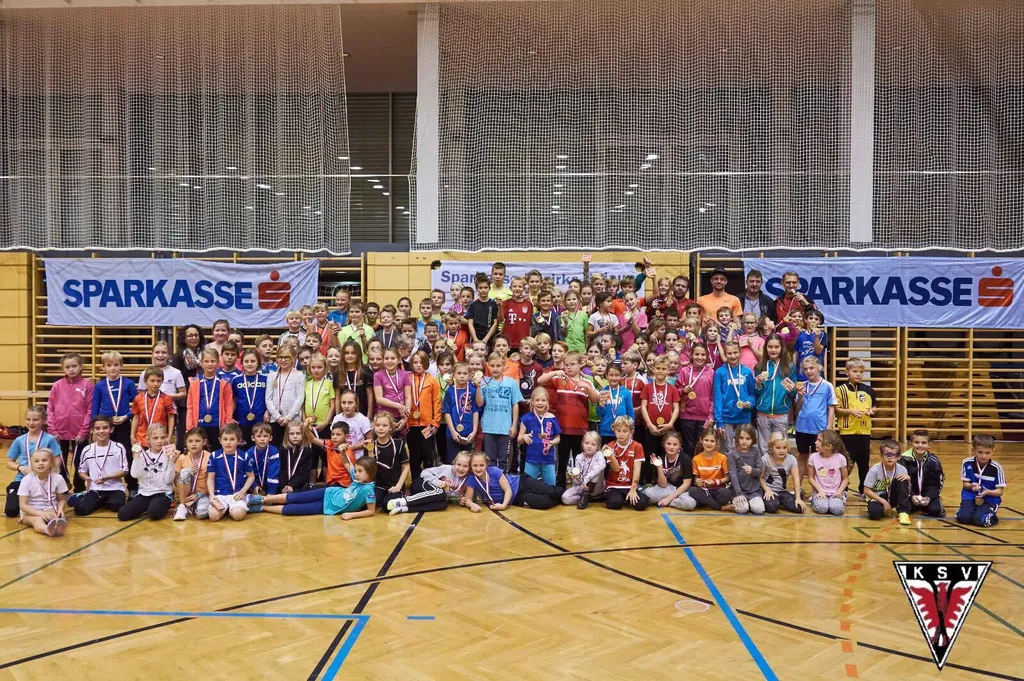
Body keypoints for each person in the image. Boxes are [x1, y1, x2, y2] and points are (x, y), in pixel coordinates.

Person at [537, 350, 602, 486]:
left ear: (580, 365)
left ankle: (580, 488)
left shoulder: (586, 382)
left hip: (580, 430)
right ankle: (560, 488)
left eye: (572, 364)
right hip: (562, 430)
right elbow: (540, 380)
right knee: (562, 461)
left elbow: (596, 399)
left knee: (582, 461)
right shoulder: (560, 379)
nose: (569, 367)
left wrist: (588, 389)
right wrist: (554, 372)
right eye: (566, 365)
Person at [255, 456, 377, 519]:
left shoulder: (368, 490)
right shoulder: (356, 478)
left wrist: (351, 515)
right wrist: (343, 452)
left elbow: (371, 511)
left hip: (327, 507)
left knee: (291, 510)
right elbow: (345, 462)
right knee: (294, 498)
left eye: (360, 471)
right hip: (329, 492)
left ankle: (261, 507)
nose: (356, 473)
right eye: (356, 470)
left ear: (370, 472)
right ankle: (259, 499)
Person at [5, 406, 62, 518]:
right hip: (22, 479)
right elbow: (9, 462)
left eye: (35, 420)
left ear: (44, 420)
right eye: (28, 419)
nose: (31, 423)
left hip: (43, 480)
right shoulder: (19, 440)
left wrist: (49, 473)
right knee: (11, 511)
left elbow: (57, 459)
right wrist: (21, 468)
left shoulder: (50, 439)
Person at [47, 352, 93, 492]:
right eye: (67, 367)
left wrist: (84, 431)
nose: (71, 369)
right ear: (63, 369)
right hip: (59, 433)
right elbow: (50, 408)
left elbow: (90, 410)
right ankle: (63, 488)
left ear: (80, 367)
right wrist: (52, 430)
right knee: (59, 462)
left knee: (80, 461)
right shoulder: (57, 385)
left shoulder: (87, 385)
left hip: (80, 433)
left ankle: (79, 489)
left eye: (74, 366)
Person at [91, 351, 138, 483]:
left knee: (127, 454)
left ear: (121, 366)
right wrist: (94, 428)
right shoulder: (100, 386)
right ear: (104, 367)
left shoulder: (128, 383)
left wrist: (126, 416)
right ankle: (105, 482)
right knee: (105, 454)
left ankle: (132, 485)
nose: (113, 368)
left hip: (123, 424)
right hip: (105, 427)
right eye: (109, 365)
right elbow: (95, 408)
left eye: (116, 365)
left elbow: (138, 406)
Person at [68, 415, 128, 516]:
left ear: (111, 429)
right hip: (95, 489)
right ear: (92, 431)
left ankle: (97, 501)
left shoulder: (119, 447)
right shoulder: (87, 449)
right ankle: (89, 497)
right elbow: (81, 471)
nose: (101, 431)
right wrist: (87, 479)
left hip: (115, 488)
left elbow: (125, 471)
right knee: (80, 510)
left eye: (105, 428)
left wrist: (108, 477)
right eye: (97, 428)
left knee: (117, 505)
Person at [463, 452, 562, 511]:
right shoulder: (472, 479)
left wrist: (503, 506)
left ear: (486, 465)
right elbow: (468, 499)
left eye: (481, 465)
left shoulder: (494, 471)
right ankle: (562, 499)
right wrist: (472, 505)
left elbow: (508, 490)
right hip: (514, 499)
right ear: (471, 467)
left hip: (522, 483)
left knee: (551, 491)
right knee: (544, 503)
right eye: (475, 465)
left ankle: (566, 494)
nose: (478, 468)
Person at [117, 424, 177, 521]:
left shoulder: (168, 455)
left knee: (154, 513)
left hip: (162, 493)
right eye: (155, 438)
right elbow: (134, 475)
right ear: (148, 440)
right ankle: (149, 505)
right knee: (122, 514)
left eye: (162, 437)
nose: (159, 441)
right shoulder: (142, 455)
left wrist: (172, 462)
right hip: (145, 494)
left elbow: (168, 480)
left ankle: (161, 504)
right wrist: (136, 458)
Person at [794, 356, 838, 486]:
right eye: (805, 369)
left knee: (818, 460)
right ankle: (798, 487)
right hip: (802, 427)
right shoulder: (802, 385)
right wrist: (800, 396)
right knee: (802, 457)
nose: (809, 371)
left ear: (819, 367)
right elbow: (797, 408)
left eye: (811, 368)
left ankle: (818, 489)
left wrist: (829, 426)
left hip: (819, 429)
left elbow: (831, 407)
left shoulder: (827, 386)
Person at [835, 357, 876, 494]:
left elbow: (874, 407)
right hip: (848, 432)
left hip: (864, 432)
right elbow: (836, 410)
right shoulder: (840, 390)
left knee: (864, 464)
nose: (858, 374)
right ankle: (843, 489)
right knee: (847, 463)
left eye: (861, 372)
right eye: (855, 371)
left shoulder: (869, 390)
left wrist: (871, 411)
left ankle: (863, 490)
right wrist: (850, 411)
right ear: (847, 372)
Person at [476, 352, 523, 470]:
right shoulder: (484, 382)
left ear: (503, 366)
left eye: (498, 366)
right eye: (492, 366)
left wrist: (514, 425)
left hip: (505, 427)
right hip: (489, 426)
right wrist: (477, 387)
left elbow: (515, 404)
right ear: (487, 366)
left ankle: (504, 485)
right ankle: (492, 485)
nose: (495, 369)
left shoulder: (511, 382)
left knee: (504, 460)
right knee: (490, 460)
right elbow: (480, 403)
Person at [753, 335, 797, 456]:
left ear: (782, 347)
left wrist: (792, 390)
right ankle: (766, 474)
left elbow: (793, 393)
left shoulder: (789, 367)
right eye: (770, 347)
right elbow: (757, 393)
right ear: (765, 348)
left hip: (781, 413)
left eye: (776, 347)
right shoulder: (760, 366)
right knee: (764, 447)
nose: (773, 350)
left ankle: (780, 473)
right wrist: (758, 384)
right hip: (763, 413)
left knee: (781, 447)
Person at [388, 452, 473, 515]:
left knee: (443, 505)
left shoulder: (468, 480)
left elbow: (452, 494)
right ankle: (400, 501)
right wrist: (437, 482)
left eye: (465, 466)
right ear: (454, 463)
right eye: (458, 464)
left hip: (432, 495)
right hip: (420, 482)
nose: (461, 468)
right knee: (440, 493)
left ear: (470, 468)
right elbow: (424, 472)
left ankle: (403, 508)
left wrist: (460, 500)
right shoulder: (446, 468)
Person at [207, 424, 256, 522]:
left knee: (238, 515)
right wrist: (212, 495)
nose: (228, 442)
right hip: (219, 495)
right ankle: (226, 509)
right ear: (220, 440)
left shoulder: (244, 456)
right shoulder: (214, 456)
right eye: (225, 439)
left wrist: (243, 491)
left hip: (236, 494)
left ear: (239, 441)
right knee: (213, 516)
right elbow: (210, 478)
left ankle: (233, 508)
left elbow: (251, 477)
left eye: (232, 439)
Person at [185, 348, 235, 446]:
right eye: (206, 361)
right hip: (199, 424)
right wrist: (189, 427)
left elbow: (229, 405)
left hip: (218, 425)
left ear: (218, 362)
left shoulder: (224, 382)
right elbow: (190, 407)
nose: (210, 364)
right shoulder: (195, 382)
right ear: (202, 363)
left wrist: (228, 424)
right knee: (201, 452)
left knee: (216, 452)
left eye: (213, 361)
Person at [956, 434, 1006, 527]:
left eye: (987, 453)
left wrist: (988, 492)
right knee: (963, 518)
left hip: (990, 498)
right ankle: (964, 510)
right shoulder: (966, 463)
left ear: (993, 451)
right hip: (970, 495)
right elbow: (965, 484)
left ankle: (991, 515)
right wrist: (971, 486)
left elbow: (1000, 491)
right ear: (973, 450)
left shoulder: (997, 468)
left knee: (979, 520)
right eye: (980, 452)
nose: (983, 456)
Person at [406, 351, 442, 478]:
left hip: (427, 425)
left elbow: (437, 402)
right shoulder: (407, 378)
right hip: (411, 424)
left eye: (421, 362)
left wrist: (435, 422)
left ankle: (429, 481)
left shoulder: (432, 380)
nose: (418, 365)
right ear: (411, 364)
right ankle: (416, 483)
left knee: (428, 455)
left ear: (426, 363)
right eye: (415, 362)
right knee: (414, 455)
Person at [712, 341, 756, 445]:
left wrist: (750, 403)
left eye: (735, 352)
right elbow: (717, 398)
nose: (733, 356)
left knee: (743, 447)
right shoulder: (719, 372)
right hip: (726, 418)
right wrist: (719, 422)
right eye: (729, 353)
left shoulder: (747, 372)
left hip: (744, 416)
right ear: (725, 354)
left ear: (740, 353)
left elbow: (752, 394)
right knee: (728, 449)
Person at [17, 448, 68, 537]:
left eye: (44, 460)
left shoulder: (58, 478)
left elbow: (62, 499)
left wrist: (60, 509)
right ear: (31, 465)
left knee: (54, 517)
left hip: (49, 509)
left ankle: (56, 525)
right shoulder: (26, 480)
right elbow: (23, 505)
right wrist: (40, 513)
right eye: (36, 461)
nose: (40, 463)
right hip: (30, 511)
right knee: (37, 520)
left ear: (51, 463)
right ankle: (47, 530)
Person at [639, 356, 680, 465]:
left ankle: (664, 478)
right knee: (650, 453)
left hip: (667, 428)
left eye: (663, 369)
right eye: (658, 368)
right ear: (653, 369)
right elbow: (643, 407)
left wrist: (670, 424)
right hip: (650, 428)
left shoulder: (672, 388)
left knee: (665, 454)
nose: (660, 371)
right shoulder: (647, 387)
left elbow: (676, 408)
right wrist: (649, 424)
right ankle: (650, 480)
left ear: (667, 370)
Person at [602, 416, 648, 510]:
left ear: (631, 432)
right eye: (618, 430)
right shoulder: (610, 446)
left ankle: (626, 498)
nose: (621, 434)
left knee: (641, 504)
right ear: (614, 430)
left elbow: (637, 469)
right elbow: (616, 469)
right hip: (614, 485)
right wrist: (610, 455)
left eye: (625, 431)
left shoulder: (637, 446)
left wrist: (633, 489)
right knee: (615, 504)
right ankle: (616, 497)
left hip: (629, 485)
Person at [676, 344, 714, 457]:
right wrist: (683, 390)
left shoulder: (711, 373)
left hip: (704, 416)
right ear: (691, 355)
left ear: (707, 356)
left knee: (701, 447)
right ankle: (689, 473)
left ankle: (700, 472)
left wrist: (711, 415)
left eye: (703, 355)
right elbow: (676, 392)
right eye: (697, 354)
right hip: (686, 415)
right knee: (688, 447)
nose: (699, 357)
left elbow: (714, 395)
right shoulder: (684, 371)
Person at [518, 387, 561, 485]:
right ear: (532, 402)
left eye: (543, 400)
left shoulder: (552, 418)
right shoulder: (526, 418)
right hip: (531, 460)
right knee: (528, 487)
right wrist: (524, 437)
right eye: (537, 400)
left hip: (548, 460)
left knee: (551, 488)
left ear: (547, 402)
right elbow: (519, 440)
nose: (540, 403)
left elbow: (558, 438)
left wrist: (552, 442)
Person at [864, 440, 912, 525]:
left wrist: (909, 480)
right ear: (881, 456)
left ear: (899, 457)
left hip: (894, 496)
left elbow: (906, 491)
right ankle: (887, 509)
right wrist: (884, 502)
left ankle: (903, 513)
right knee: (875, 513)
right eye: (887, 454)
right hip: (878, 497)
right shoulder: (874, 469)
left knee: (903, 479)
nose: (890, 457)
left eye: (893, 455)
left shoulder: (902, 469)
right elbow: (866, 490)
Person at [644, 431, 696, 510]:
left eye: (675, 444)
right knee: (647, 494)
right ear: (664, 444)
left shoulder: (685, 459)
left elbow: (686, 484)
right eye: (668, 444)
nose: (671, 447)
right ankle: (669, 500)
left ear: (680, 446)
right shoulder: (660, 459)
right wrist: (659, 467)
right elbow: (663, 485)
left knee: (690, 504)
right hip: (666, 489)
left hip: (681, 490)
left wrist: (668, 499)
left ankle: (669, 502)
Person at [369, 412, 410, 511]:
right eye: (378, 425)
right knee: (369, 504)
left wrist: (399, 485)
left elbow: (406, 467)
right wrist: (370, 452)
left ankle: (405, 502)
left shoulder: (398, 444)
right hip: (379, 486)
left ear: (390, 428)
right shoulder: (371, 446)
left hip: (396, 485)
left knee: (387, 506)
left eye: (385, 425)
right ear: (374, 427)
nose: (381, 428)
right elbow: (371, 469)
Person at [130, 366, 177, 451]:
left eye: (158, 381)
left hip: (160, 438)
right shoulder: (138, 398)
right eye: (152, 381)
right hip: (142, 438)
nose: (155, 384)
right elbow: (136, 417)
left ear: (162, 381)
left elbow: (171, 417)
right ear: (145, 381)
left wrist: (169, 436)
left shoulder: (166, 398)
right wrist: (132, 435)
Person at [267, 347, 305, 447]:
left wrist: (289, 417)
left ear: (293, 358)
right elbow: (268, 399)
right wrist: (277, 416)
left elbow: (300, 398)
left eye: (287, 357)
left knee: (293, 448)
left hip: (293, 419)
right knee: (277, 448)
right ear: (276, 359)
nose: (283, 360)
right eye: (280, 357)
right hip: (276, 419)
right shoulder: (272, 376)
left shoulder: (299, 375)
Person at [901, 429, 945, 517]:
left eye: (923, 443)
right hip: (910, 494)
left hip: (926, 494)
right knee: (903, 509)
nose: (920, 445)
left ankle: (923, 504)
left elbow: (937, 484)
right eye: (916, 442)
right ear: (911, 443)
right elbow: (901, 483)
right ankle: (915, 505)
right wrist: (912, 495)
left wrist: (928, 497)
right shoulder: (903, 460)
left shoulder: (934, 461)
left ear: (929, 445)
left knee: (936, 511)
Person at [442, 361, 480, 463]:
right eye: (459, 373)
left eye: (465, 373)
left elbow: (475, 411)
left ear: (470, 375)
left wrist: (474, 431)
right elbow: (447, 412)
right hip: (452, 434)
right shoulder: (450, 391)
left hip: (469, 433)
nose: (462, 376)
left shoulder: (473, 391)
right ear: (453, 374)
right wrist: (453, 432)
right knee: (453, 462)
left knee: (468, 463)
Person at [173, 427, 212, 521]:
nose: (193, 444)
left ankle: (193, 507)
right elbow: (175, 481)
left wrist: (200, 495)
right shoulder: (182, 458)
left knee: (202, 513)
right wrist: (188, 471)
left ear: (204, 442)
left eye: (197, 441)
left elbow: (213, 481)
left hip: (203, 494)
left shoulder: (210, 457)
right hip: (186, 494)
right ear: (186, 442)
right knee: (185, 472)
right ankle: (183, 506)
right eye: (190, 441)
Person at [761, 434, 806, 514]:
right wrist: (767, 490)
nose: (782, 451)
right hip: (768, 490)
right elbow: (759, 478)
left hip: (782, 491)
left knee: (799, 508)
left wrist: (798, 498)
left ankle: (791, 496)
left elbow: (796, 479)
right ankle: (772, 500)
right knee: (772, 507)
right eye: (778, 448)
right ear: (771, 448)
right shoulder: (765, 459)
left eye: (784, 448)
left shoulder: (791, 459)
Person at [808, 430, 850, 515]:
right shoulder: (813, 457)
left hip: (835, 492)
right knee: (822, 509)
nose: (815, 442)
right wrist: (820, 491)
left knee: (837, 510)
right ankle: (814, 499)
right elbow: (810, 478)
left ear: (829, 446)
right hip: (820, 491)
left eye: (819, 440)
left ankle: (842, 497)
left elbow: (845, 479)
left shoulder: (840, 458)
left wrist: (839, 492)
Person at [232, 349, 269, 445]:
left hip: (261, 420)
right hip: (241, 421)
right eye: (246, 361)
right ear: (242, 363)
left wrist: (268, 411)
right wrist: (230, 416)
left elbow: (270, 398)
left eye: (253, 361)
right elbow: (233, 400)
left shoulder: (265, 379)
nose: (249, 364)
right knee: (243, 448)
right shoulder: (236, 380)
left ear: (258, 363)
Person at [690, 426, 732, 510]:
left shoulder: (722, 458)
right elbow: (696, 479)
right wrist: (697, 481)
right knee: (692, 490)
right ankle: (720, 507)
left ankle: (707, 503)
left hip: (718, 489)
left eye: (712, 441)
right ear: (701, 440)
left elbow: (727, 478)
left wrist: (714, 482)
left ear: (716, 443)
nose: (708, 443)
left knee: (726, 492)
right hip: (704, 490)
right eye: (706, 440)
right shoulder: (696, 459)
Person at [561, 431, 606, 508]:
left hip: (596, 487)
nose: (589, 446)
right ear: (582, 444)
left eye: (593, 444)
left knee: (597, 470)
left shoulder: (599, 454)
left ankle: (589, 497)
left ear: (598, 446)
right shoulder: (578, 457)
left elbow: (602, 465)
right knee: (564, 498)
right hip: (582, 486)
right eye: (587, 443)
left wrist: (587, 478)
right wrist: (576, 477)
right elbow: (578, 482)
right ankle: (585, 498)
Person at [727, 424, 765, 515]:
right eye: (741, 438)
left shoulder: (756, 452)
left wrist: (752, 471)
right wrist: (739, 493)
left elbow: (760, 470)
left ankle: (750, 503)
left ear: (753, 440)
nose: (744, 441)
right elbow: (733, 474)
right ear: (737, 438)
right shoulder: (732, 454)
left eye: (748, 439)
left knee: (759, 509)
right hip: (738, 490)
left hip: (754, 491)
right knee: (742, 509)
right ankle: (739, 502)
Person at [303, 353, 336, 440]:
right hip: (309, 425)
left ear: (325, 368)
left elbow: (332, 405)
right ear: (309, 368)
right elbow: (302, 406)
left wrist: (325, 423)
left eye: (319, 367)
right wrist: (305, 422)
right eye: (313, 367)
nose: (316, 370)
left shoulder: (329, 383)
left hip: (325, 424)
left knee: (324, 449)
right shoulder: (306, 384)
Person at [464, 273, 500, 345]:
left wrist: (486, 339)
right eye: (480, 288)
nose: (483, 290)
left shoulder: (494, 304)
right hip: (476, 337)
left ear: (489, 288)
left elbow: (496, 323)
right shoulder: (473, 305)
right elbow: (470, 324)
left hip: (490, 338)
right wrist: (475, 339)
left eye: (485, 287)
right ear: (477, 289)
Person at [500, 276, 534, 351]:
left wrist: (530, 339)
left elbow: (530, 324)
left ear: (524, 289)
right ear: (510, 288)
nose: (517, 288)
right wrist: (499, 306)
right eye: (514, 286)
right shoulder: (506, 303)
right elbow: (501, 319)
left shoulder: (528, 304)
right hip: (508, 343)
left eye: (520, 286)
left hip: (523, 343)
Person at [247, 422, 280, 496]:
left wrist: (271, 492)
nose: (262, 439)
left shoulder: (274, 452)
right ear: (253, 438)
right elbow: (248, 473)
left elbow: (273, 473)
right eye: (259, 436)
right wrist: (254, 486)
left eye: (265, 436)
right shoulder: (248, 454)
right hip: (254, 486)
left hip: (271, 487)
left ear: (270, 438)